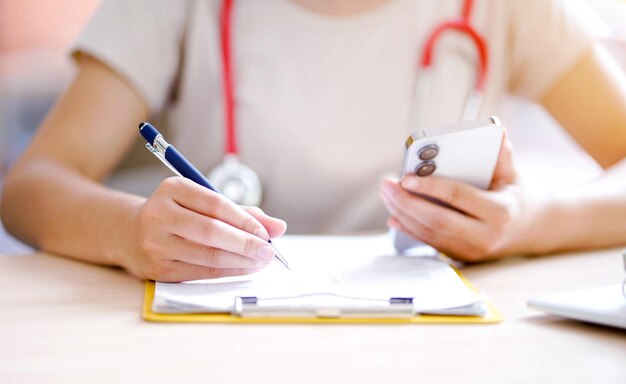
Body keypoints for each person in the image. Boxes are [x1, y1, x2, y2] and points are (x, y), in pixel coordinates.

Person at [2, 0, 626, 282]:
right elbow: (31, 188)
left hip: (432, 355)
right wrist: (129, 232)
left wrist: (525, 222)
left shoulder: (516, 8)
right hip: (210, 354)